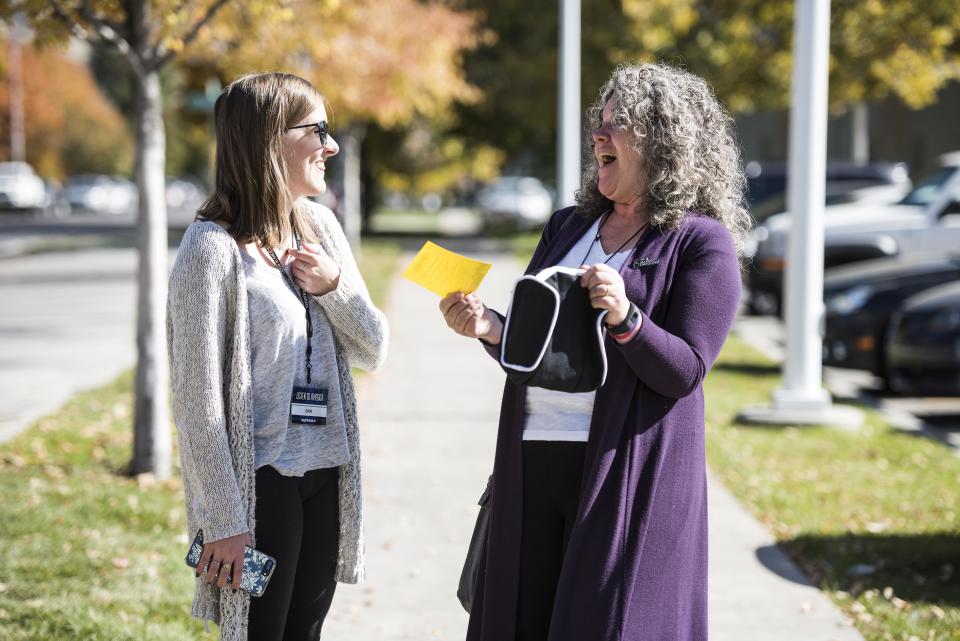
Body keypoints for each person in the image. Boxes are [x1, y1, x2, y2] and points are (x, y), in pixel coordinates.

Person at [439, 63, 751, 641]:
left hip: (623, 471)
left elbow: (685, 369)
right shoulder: (567, 226)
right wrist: (487, 327)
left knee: (605, 625)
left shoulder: (701, 241)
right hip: (532, 460)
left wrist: (627, 316)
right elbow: (537, 345)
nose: (599, 138)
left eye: (617, 126)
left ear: (664, 140)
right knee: (522, 622)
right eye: (599, 126)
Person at [167, 72, 388, 641]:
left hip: (327, 468)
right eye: (317, 129)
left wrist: (333, 286)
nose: (330, 145)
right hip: (259, 481)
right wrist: (222, 518)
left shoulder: (320, 227)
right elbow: (197, 402)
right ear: (271, 140)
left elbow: (373, 348)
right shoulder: (210, 248)